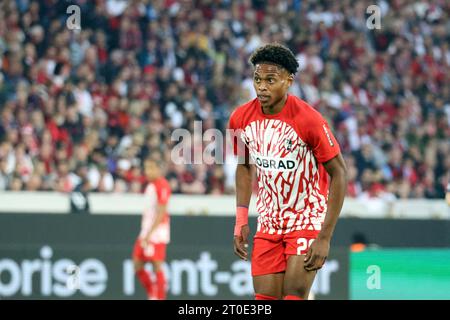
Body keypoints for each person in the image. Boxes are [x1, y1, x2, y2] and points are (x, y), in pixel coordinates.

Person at [229, 43, 348, 300]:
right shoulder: (240, 118)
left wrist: (324, 237)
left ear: (288, 81)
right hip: (269, 221)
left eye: (270, 80)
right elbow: (244, 167)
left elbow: (339, 173)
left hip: (305, 219)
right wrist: (240, 220)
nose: (262, 86)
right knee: (264, 300)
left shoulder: (309, 120)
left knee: (293, 295)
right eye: (257, 79)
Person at [133, 158, 171, 300]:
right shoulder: (150, 185)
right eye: (146, 168)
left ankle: (160, 297)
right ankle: (153, 293)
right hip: (146, 230)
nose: (147, 171)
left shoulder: (162, 185)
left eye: (151, 168)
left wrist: (150, 233)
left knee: (157, 265)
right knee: (137, 264)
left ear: (158, 169)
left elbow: (162, 212)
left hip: (157, 232)